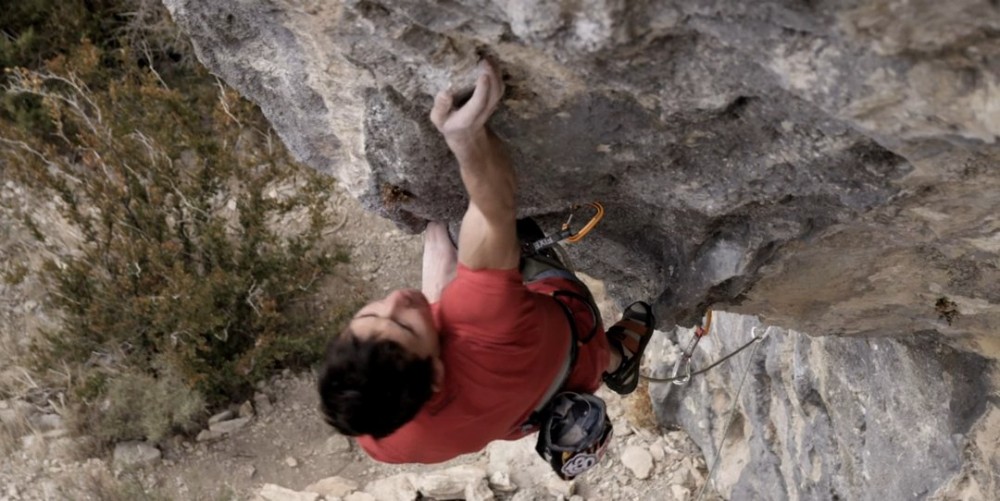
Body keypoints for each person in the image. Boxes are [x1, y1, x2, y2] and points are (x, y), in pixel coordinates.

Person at [317, 59, 655, 467]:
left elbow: (434, 299)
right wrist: (466, 138)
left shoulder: (387, 438)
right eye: (403, 323)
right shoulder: (481, 323)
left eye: (370, 313)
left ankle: (614, 364)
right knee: (471, 230)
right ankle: (614, 357)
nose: (395, 299)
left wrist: (432, 244)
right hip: (566, 332)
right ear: (437, 374)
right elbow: (493, 204)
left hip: (524, 410)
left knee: (451, 254)